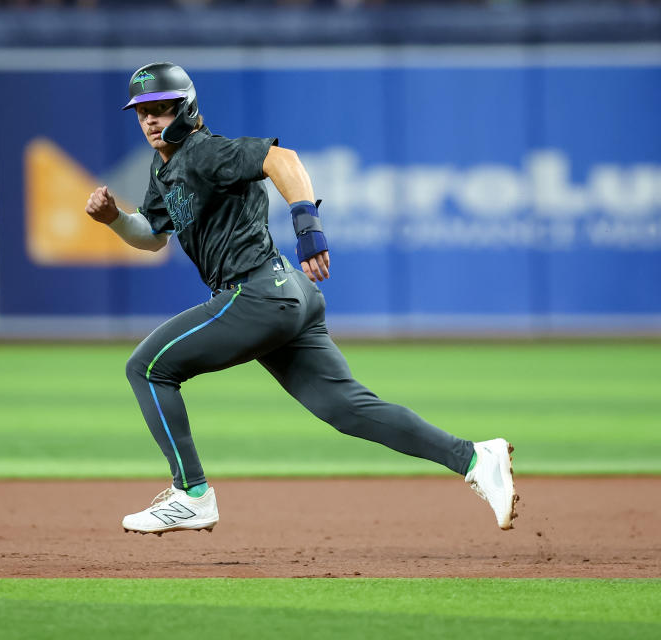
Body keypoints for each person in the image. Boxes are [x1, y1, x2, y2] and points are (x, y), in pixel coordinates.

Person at [85, 62, 517, 535]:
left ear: (185, 107)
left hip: (255, 293)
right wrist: (115, 219)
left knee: (147, 367)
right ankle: (475, 458)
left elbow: (281, 160)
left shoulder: (203, 151)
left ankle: (192, 494)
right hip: (286, 295)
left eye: (160, 109)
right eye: (142, 112)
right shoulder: (165, 166)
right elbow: (153, 234)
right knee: (347, 408)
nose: (149, 120)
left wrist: (308, 227)